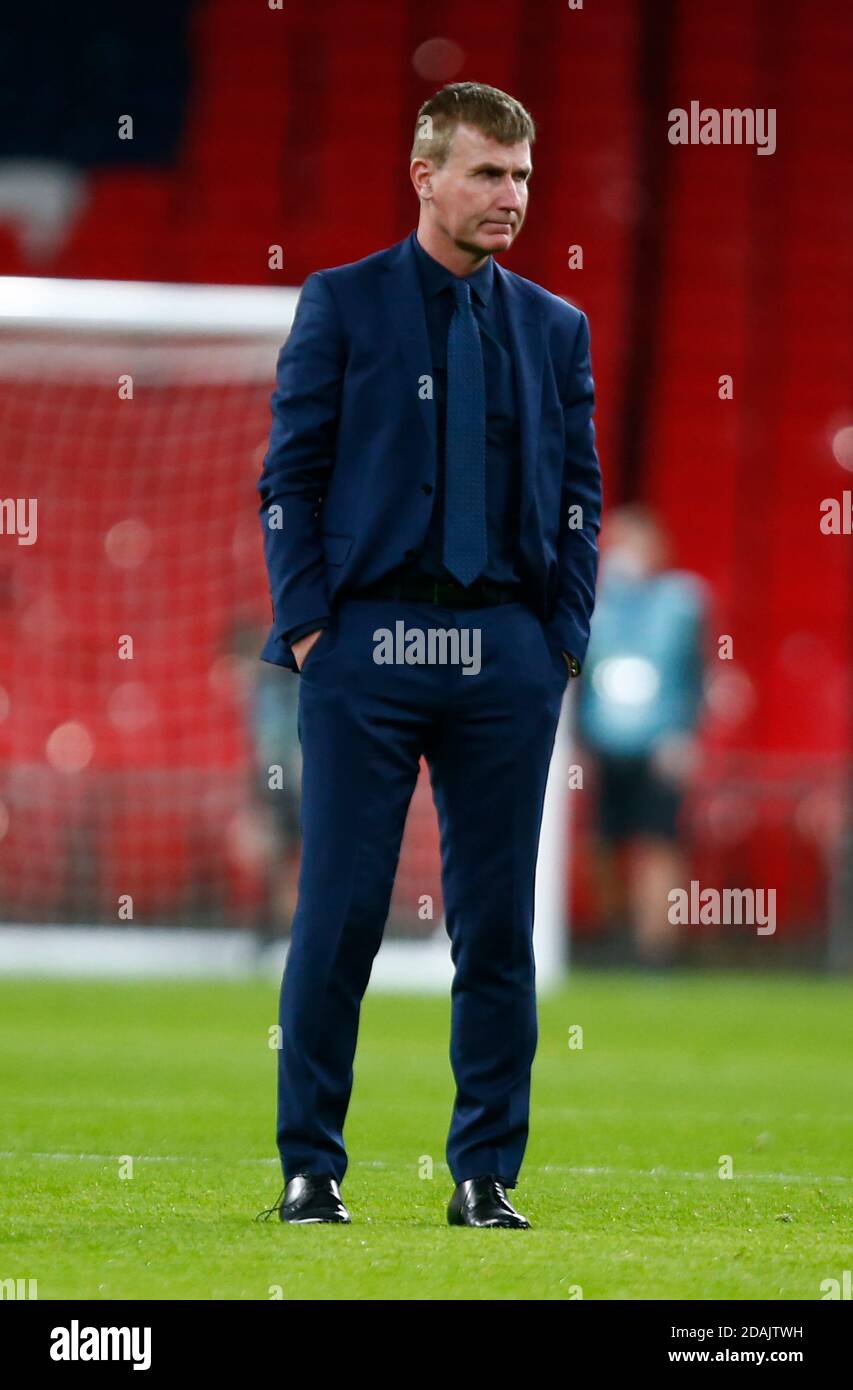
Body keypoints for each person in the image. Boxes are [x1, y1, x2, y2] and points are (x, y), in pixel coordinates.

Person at [255, 82, 602, 1229]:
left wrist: (558, 640)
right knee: (341, 911)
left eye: (520, 174)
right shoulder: (343, 305)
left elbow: (578, 499)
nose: (510, 196)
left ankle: (484, 1176)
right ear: (425, 176)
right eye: (487, 173)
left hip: (505, 649)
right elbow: (288, 479)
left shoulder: (556, 328)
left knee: (496, 923)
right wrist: (312, 629)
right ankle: (312, 1167)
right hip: (366, 643)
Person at [575, 505, 708, 968]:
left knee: (658, 841)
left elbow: (698, 673)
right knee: (602, 843)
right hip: (605, 745)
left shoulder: (682, 603)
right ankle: (615, 935)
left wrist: (685, 736)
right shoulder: (592, 605)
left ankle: (656, 951)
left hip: (659, 747)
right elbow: (579, 678)